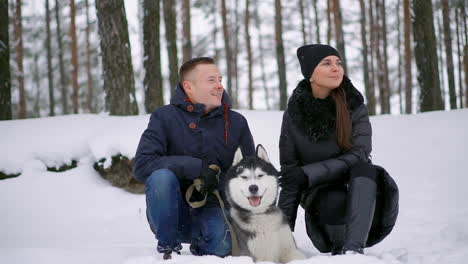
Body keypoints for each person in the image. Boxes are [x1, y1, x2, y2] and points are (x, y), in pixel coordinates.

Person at [278, 44, 398, 255]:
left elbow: (360, 153)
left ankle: (353, 252)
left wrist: (307, 174)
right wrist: (280, 240)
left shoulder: (354, 105)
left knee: (365, 168)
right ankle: (339, 249)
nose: (336, 68)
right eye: (327, 63)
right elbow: (291, 178)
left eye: (338, 63)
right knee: (332, 198)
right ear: (311, 75)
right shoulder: (292, 116)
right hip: (323, 206)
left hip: (367, 202)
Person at [134, 57, 255, 258]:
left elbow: (250, 170)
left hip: (214, 206)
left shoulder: (236, 122)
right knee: (161, 177)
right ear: (189, 87)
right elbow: (142, 165)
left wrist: (217, 181)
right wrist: (197, 168)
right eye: (211, 80)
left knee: (221, 247)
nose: (219, 86)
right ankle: (168, 247)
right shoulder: (164, 117)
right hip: (171, 208)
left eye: (220, 79)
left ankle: (203, 245)